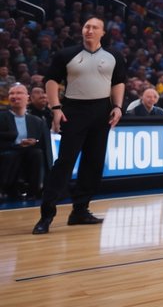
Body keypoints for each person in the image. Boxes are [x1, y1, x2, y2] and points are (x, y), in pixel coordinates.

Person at [34, 17, 127, 235]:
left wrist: (118, 107)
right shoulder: (66, 54)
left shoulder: (114, 56)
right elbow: (51, 81)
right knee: (64, 162)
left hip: (102, 112)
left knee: (93, 163)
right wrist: (56, 108)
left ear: (103, 32)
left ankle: (80, 211)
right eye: (87, 26)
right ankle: (46, 214)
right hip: (74, 111)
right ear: (82, 30)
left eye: (95, 27)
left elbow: (118, 82)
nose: (90, 30)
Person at [1, 83, 51, 199]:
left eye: (19, 93)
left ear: (27, 98)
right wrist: (15, 143)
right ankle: (6, 190)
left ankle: (34, 191)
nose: (15, 96)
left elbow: (43, 144)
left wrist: (35, 141)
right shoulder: (2, 117)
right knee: (11, 155)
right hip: (8, 152)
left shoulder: (37, 121)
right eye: (11, 93)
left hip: (29, 152)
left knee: (37, 154)